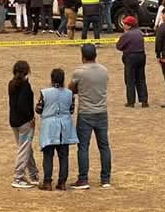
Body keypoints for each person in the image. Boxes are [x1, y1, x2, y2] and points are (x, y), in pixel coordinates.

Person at [69, 44, 111, 189]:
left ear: (83, 56)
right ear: (95, 55)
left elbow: (71, 89)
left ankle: (83, 179)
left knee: (83, 147)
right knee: (104, 146)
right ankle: (105, 178)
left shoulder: (79, 72)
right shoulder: (104, 70)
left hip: (86, 113)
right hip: (102, 112)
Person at [36, 68, 78, 191]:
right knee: (63, 156)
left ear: (52, 79)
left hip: (49, 126)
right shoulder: (70, 93)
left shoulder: (45, 92)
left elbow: (38, 109)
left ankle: (47, 182)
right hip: (64, 126)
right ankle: (62, 182)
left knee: (48, 155)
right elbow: (71, 110)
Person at [8, 61, 40, 188]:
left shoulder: (11, 84)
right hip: (24, 122)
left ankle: (33, 174)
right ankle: (18, 177)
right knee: (24, 149)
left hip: (14, 121)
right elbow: (22, 105)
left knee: (26, 148)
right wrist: (30, 118)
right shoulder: (25, 86)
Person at [116, 15, 148, 108]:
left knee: (130, 79)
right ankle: (144, 100)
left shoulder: (127, 35)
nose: (124, 26)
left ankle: (131, 101)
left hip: (130, 57)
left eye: (125, 24)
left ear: (130, 25)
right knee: (141, 79)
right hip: (141, 56)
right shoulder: (139, 33)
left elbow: (119, 46)